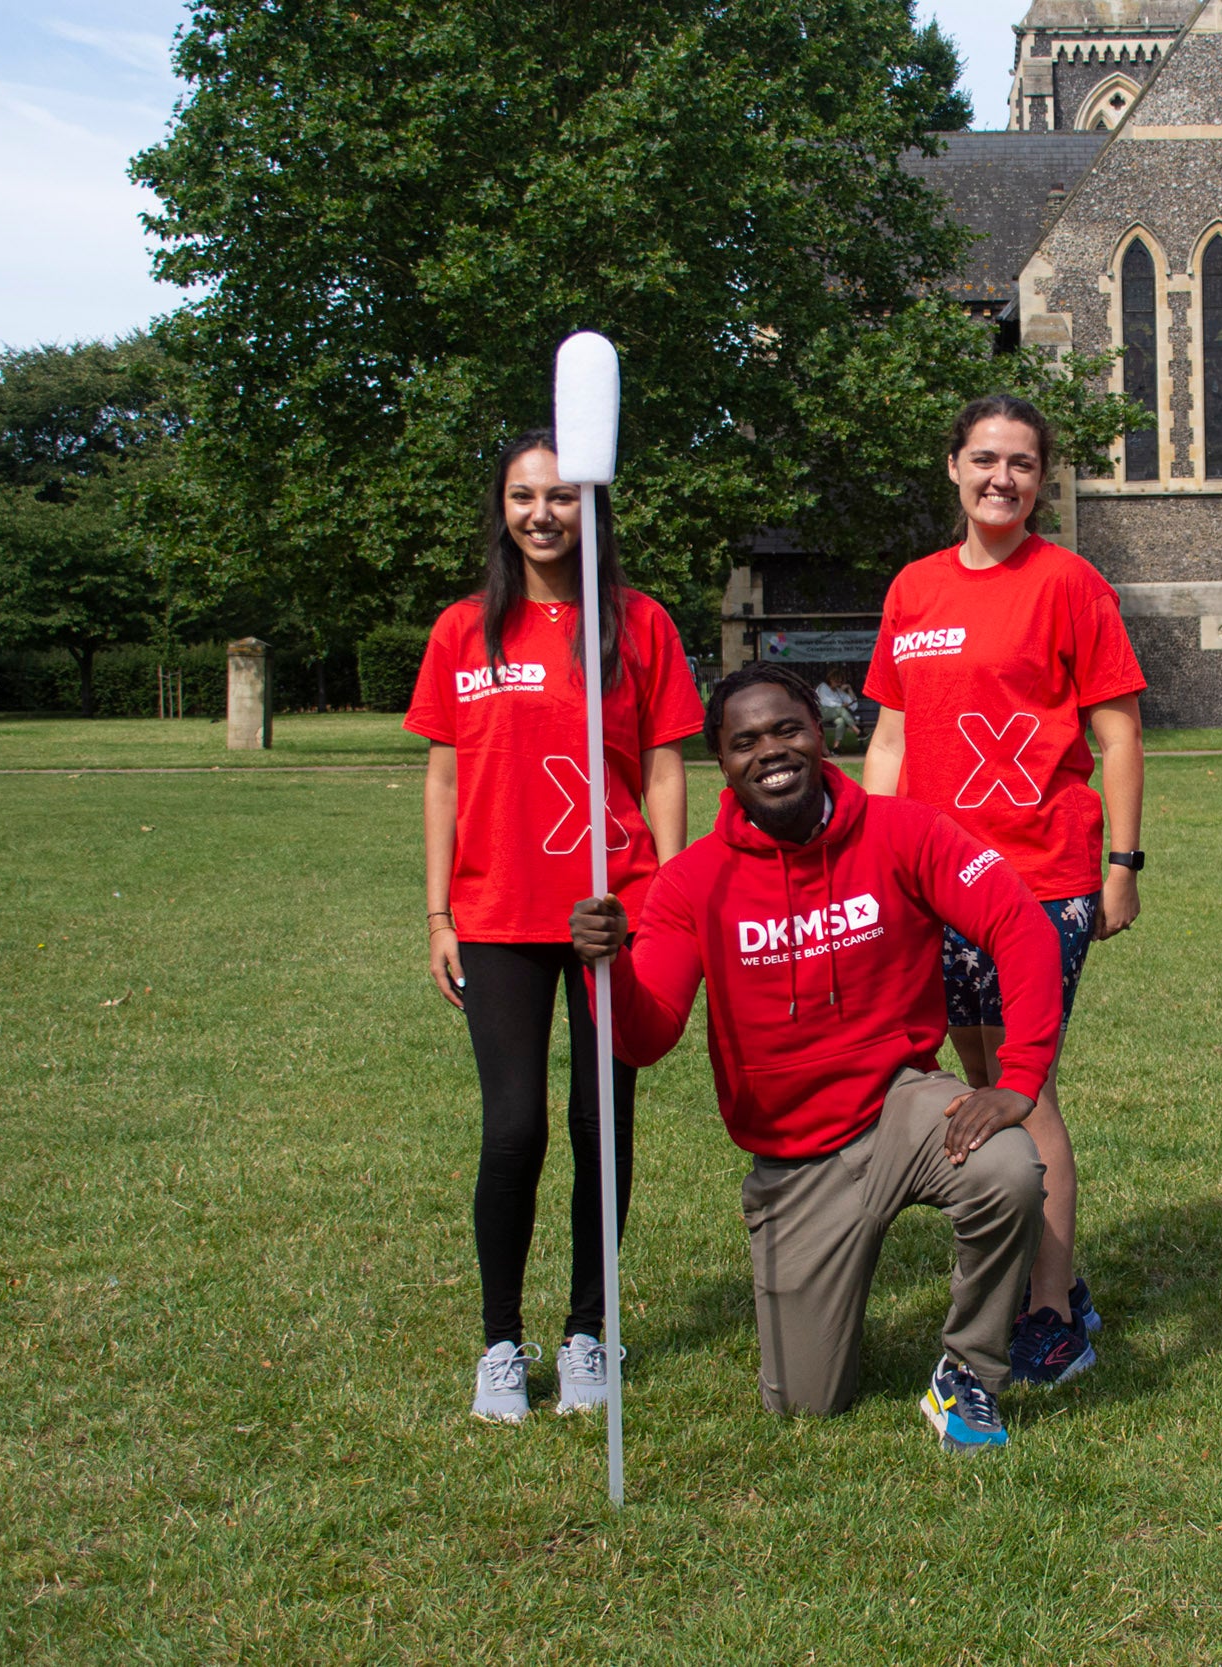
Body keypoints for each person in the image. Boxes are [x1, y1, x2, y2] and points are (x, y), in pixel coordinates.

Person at [568, 665, 1063, 1452]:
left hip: (900, 1107)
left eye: (787, 728)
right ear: (722, 764)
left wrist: (1020, 1078)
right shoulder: (692, 881)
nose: (772, 750)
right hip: (795, 1156)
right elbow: (646, 1035)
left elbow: (1018, 923)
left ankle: (969, 1372)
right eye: (745, 741)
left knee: (1006, 1167)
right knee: (806, 1404)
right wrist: (611, 969)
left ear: (822, 730)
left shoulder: (904, 830)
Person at [406, 428, 704, 1423]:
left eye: (563, 495)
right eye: (524, 495)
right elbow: (444, 775)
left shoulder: (638, 624)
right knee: (516, 1127)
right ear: (502, 509)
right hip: (497, 912)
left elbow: (665, 765)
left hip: (607, 915)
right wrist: (440, 909)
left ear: (593, 506)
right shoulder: (463, 631)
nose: (543, 512)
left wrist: (656, 899)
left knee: (600, 1126)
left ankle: (588, 1331)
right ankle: (500, 1339)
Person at [861, 394, 1147, 1387]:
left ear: (1041, 477)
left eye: (1022, 463)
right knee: (972, 1079)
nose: (1003, 478)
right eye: (985, 459)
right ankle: (1043, 1279)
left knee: (1025, 1094)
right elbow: (891, 738)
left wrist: (1123, 863)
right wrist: (865, 860)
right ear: (952, 466)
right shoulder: (913, 589)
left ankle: (1052, 1314)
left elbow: (1116, 732)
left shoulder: (1069, 583)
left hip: (1040, 881)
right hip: (932, 886)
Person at [814, 671, 861, 749]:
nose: (838, 683)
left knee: (841, 721)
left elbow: (853, 704)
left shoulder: (838, 691)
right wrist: (842, 705)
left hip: (834, 714)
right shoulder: (823, 687)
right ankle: (857, 731)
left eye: (840, 681)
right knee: (841, 710)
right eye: (836, 681)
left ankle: (836, 747)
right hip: (821, 712)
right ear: (830, 679)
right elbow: (826, 702)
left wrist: (849, 689)